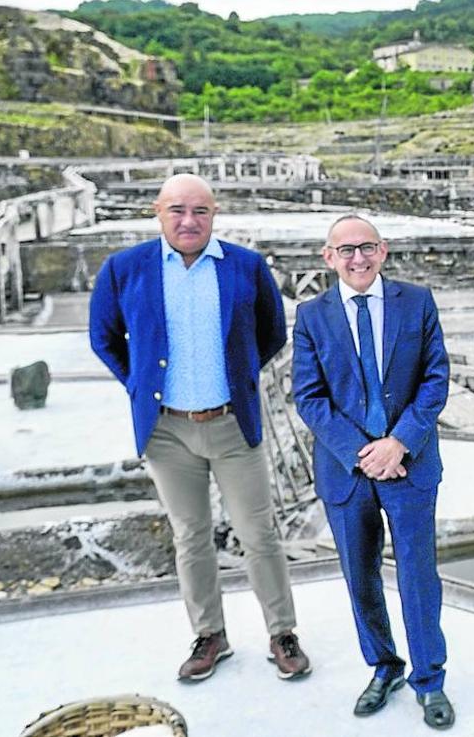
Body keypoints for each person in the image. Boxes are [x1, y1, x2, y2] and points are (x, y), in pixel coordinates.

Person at [88, 173, 310, 682]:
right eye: (177, 210)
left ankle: (282, 632)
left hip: (233, 426)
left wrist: (238, 375)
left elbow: (272, 333)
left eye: (200, 212)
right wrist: (140, 383)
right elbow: (103, 336)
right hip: (167, 433)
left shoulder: (246, 267)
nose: (189, 221)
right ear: (158, 211)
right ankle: (210, 634)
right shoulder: (125, 268)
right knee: (190, 536)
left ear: (214, 214)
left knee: (260, 534)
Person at [290, 214, 454, 730]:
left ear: (383, 251)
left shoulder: (417, 302)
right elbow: (309, 397)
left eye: (366, 248)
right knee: (360, 577)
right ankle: (384, 667)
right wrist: (365, 452)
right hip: (347, 471)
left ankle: (429, 680)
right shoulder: (311, 316)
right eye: (346, 250)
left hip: (410, 464)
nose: (357, 259)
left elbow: (435, 379)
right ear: (328, 257)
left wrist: (400, 442)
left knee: (418, 577)